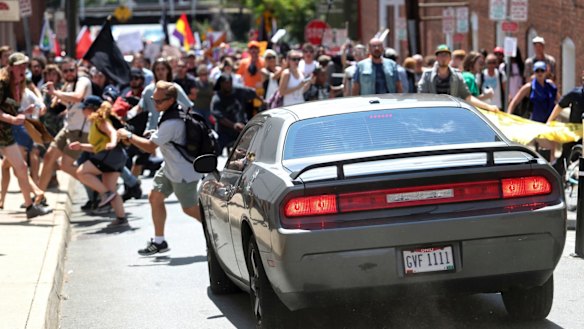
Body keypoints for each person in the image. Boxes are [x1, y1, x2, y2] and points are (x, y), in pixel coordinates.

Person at [116, 81, 204, 255]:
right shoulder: (169, 113)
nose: (155, 104)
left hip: (182, 172)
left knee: (190, 209)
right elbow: (160, 137)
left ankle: (218, 229)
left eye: (159, 101)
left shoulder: (172, 122)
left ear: (171, 100)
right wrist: (154, 134)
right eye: (153, 100)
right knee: (155, 196)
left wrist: (129, 135)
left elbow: (149, 147)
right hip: (170, 167)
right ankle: (159, 242)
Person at [0, 52, 52, 218]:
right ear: (10, 67)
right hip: (5, 128)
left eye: (25, 65)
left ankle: (30, 208)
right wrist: (13, 119)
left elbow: (11, 109)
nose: (23, 69)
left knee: (21, 167)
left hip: (4, 132)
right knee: (16, 167)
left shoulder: (19, 84)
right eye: (19, 66)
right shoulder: (2, 83)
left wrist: (23, 111)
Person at [37, 57, 92, 201]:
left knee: (66, 166)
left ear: (76, 69)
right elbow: (63, 104)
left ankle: (97, 189)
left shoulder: (83, 81)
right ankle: (39, 198)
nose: (69, 73)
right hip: (68, 128)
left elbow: (78, 97)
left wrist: (56, 93)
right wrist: (52, 94)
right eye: (66, 71)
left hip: (81, 131)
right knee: (48, 157)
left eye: (71, 70)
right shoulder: (67, 86)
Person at [68, 96, 128, 226]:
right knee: (111, 190)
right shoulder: (94, 124)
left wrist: (112, 143)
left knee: (81, 172)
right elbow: (97, 148)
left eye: (84, 108)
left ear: (90, 109)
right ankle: (121, 218)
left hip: (110, 155)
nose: (82, 111)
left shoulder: (100, 120)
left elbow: (112, 132)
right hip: (115, 157)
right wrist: (81, 146)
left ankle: (105, 194)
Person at [418, 45, 499, 112]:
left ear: (450, 58)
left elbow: (467, 97)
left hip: (452, 115)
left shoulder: (456, 75)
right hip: (433, 115)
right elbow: (421, 98)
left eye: (446, 55)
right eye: (440, 55)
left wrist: (488, 107)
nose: (443, 58)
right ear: (436, 58)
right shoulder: (427, 76)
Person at [547, 69, 584, 172]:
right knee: (564, 158)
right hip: (574, 134)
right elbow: (560, 105)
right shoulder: (575, 93)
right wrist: (549, 121)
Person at [211, 73, 259, 153]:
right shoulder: (217, 99)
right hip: (224, 131)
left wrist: (263, 101)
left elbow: (253, 92)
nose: (228, 85)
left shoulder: (239, 91)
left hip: (241, 129)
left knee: (253, 148)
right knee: (215, 151)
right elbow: (220, 117)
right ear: (221, 84)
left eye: (230, 82)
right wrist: (234, 125)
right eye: (226, 83)